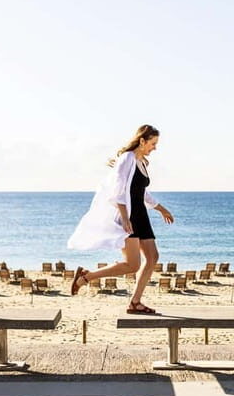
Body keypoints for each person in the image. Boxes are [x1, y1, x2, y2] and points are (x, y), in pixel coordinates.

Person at [67, 124, 174, 314]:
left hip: (141, 215)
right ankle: (86, 277)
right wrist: (125, 218)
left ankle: (135, 302)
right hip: (130, 216)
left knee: (153, 257)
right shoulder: (127, 159)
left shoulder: (141, 162)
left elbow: (142, 193)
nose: (155, 148)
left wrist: (161, 209)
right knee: (133, 264)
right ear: (142, 141)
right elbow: (118, 191)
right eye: (153, 143)